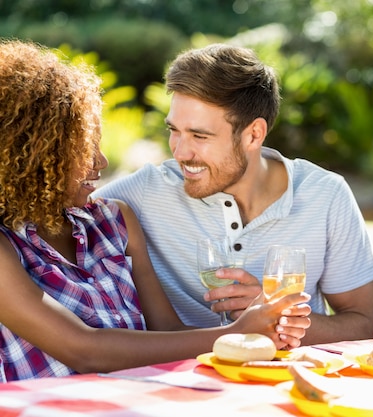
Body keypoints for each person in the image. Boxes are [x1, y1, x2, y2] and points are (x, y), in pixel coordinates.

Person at [0, 39, 311, 382]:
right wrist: (231, 334)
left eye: (97, 146)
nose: (101, 162)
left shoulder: (115, 222)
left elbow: (168, 332)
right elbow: (84, 350)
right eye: (81, 151)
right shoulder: (5, 247)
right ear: (29, 158)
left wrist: (259, 323)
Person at [94, 43, 373, 344]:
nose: (180, 151)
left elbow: (365, 326)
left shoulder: (325, 196)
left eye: (199, 135)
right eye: (174, 130)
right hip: (181, 383)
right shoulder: (144, 192)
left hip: (284, 385)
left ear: (253, 134)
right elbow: (56, 216)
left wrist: (277, 315)